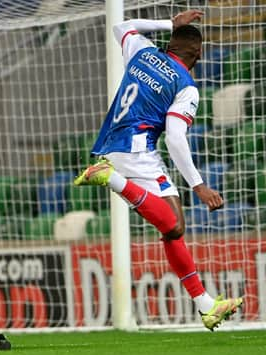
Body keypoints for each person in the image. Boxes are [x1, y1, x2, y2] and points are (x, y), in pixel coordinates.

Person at [74, 10, 242, 331]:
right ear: (199, 53)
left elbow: (121, 26)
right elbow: (176, 138)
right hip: (134, 150)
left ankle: (206, 306)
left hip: (117, 141)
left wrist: (169, 24)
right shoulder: (186, 86)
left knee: (173, 228)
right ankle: (111, 178)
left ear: (171, 42)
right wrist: (199, 185)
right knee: (173, 223)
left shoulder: (143, 52)